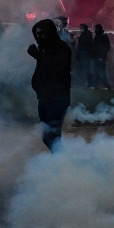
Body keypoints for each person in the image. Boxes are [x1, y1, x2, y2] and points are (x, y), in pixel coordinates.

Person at [28, 19, 72, 151]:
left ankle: (62, 164)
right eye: (36, 34)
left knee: (52, 136)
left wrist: (38, 56)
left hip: (57, 99)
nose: (38, 37)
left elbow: (58, 69)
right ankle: (60, 163)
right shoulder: (45, 49)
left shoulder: (61, 48)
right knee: (47, 136)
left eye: (41, 34)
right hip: (44, 99)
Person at [91, 24, 112, 89]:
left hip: (101, 58)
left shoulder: (104, 37)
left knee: (103, 73)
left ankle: (108, 85)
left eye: (96, 29)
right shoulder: (96, 37)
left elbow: (106, 48)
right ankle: (95, 86)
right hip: (95, 57)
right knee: (95, 72)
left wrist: (102, 56)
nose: (95, 30)